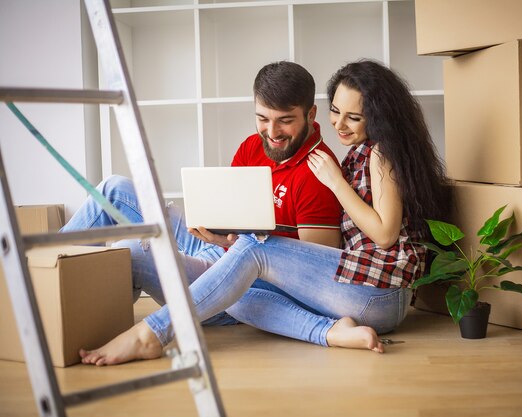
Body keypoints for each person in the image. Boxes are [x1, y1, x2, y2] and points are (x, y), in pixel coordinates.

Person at [79, 59, 452, 366]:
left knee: (247, 259)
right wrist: (220, 233)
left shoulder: (366, 157)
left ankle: (153, 333)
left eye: (353, 118)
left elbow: (383, 236)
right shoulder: (360, 153)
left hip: (379, 292)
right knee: (116, 191)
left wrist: (334, 182)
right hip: (359, 283)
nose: (339, 124)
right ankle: (51, 275)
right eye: (337, 111)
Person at [62, 61, 343, 328]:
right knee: (114, 190)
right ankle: (45, 277)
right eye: (262, 118)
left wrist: (239, 249)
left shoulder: (319, 174)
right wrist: (216, 228)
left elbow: (310, 275)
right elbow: (232, 210)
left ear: (310, 115)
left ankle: (72, 310)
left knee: (132, 251)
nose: (272, 132)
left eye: (285, 121)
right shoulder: (253, 146)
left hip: (235, 283)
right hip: (215, 247)